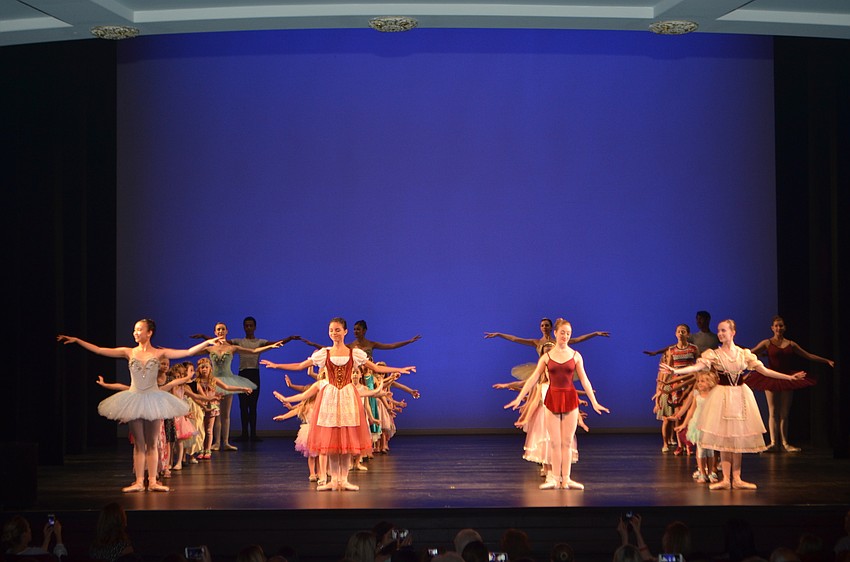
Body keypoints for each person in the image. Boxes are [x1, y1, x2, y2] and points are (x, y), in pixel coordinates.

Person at [57, 320, 220, 492]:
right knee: (139, 443)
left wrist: (207, 342)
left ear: (149, 333)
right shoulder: (129, 352)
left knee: (152, 442)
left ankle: (153, 480)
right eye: (134, 330)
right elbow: (99, 350)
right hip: (134, 399)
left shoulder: (159, 353)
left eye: (139, 329)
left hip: (154, 399)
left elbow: (187, 351)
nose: (135, 333)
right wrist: (77, 340)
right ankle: (139, 481)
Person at [262, 317, 415, 491]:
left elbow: (376, 368)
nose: (334, 333)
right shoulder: (325, 353)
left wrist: (399, 369)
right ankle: (333, 480)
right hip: (330, 397)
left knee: (346, 440)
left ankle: (344, 479)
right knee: (332, 441)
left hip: (348, 397)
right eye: (331, 330)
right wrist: (276, 365)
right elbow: (300, 365)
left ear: (345, 331)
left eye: (337, 330)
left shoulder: (354, 353)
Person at [659, 319, 805, 490]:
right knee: (724, 439)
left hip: (740, 397)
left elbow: (764, 370)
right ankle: (726, 479)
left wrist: (789, 378)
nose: (720, 333)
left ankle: (737, 478)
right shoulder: (714, 354)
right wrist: (676, 371)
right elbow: (697, 367)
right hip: (722, 396)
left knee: (737, 439)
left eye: (723, 330)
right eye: (719, 331)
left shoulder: (743, 354)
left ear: (733, 332)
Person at [505, 318, 610, 490]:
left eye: (568, 333)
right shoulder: (546, 357)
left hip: (570, 398)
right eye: (562, 333)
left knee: (567, 442)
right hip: (552, 398)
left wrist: (594, 402)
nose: (566, 336)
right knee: (554, 442)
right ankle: (554, 478)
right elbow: (532, 379)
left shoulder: (576, 356)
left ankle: (566, 479)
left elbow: (585, 381)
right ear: (555, 333)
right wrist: (518, 398)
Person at [192, 317, 301, 443]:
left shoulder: (260, 341)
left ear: (255, 327)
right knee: (243, 405)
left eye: (251, 325)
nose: (248, 328)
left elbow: (273, 344)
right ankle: (244, 434)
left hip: (254, 373)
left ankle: (253, 434)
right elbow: (220, 342)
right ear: (244, 327)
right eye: (246, 326)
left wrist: (289, 338)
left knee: (253, 405)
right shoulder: (237, 342)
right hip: (243, 373)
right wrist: (203, 337)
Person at [748, 316, 834, 453]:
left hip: (788, 378)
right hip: (771, 377)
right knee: (773, 411)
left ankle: (785, 443)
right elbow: (749, 353)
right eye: (776, 326)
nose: (778, 328)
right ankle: (773, 443)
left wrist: (826, 361)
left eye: (781, 326)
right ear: (772, 328)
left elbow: (808, 355)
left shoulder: (791, 344)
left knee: (784, 413)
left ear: (784, 327)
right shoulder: (767, 343)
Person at [653, 324, 700, 454]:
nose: (680, 333)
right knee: (678, 414)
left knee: (690, 413)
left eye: (683, 331)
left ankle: (689, 443)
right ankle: (680, 444)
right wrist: (662, 387)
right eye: (678, 331)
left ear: (688, 334)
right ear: (675, 334)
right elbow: (669, 368)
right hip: (676, 383)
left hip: (690, 381)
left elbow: (699, 364)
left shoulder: (693, 349)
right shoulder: (672, 350)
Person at [644, 311, 719, 356]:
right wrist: (657, 352)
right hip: (699, 368)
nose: (698, 321)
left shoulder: (716, 337)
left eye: (701, 319)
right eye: (697, 319)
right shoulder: (694, 337)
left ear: (708, 320)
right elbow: (675, 346)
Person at [2, 515, 67, 559]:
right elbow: (60, 559)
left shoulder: (8, 554)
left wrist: (47, 539)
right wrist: (58, 537)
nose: (30, 530)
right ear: (24, 535)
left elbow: (40, 554)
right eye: (28, 528)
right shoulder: (34, 553)